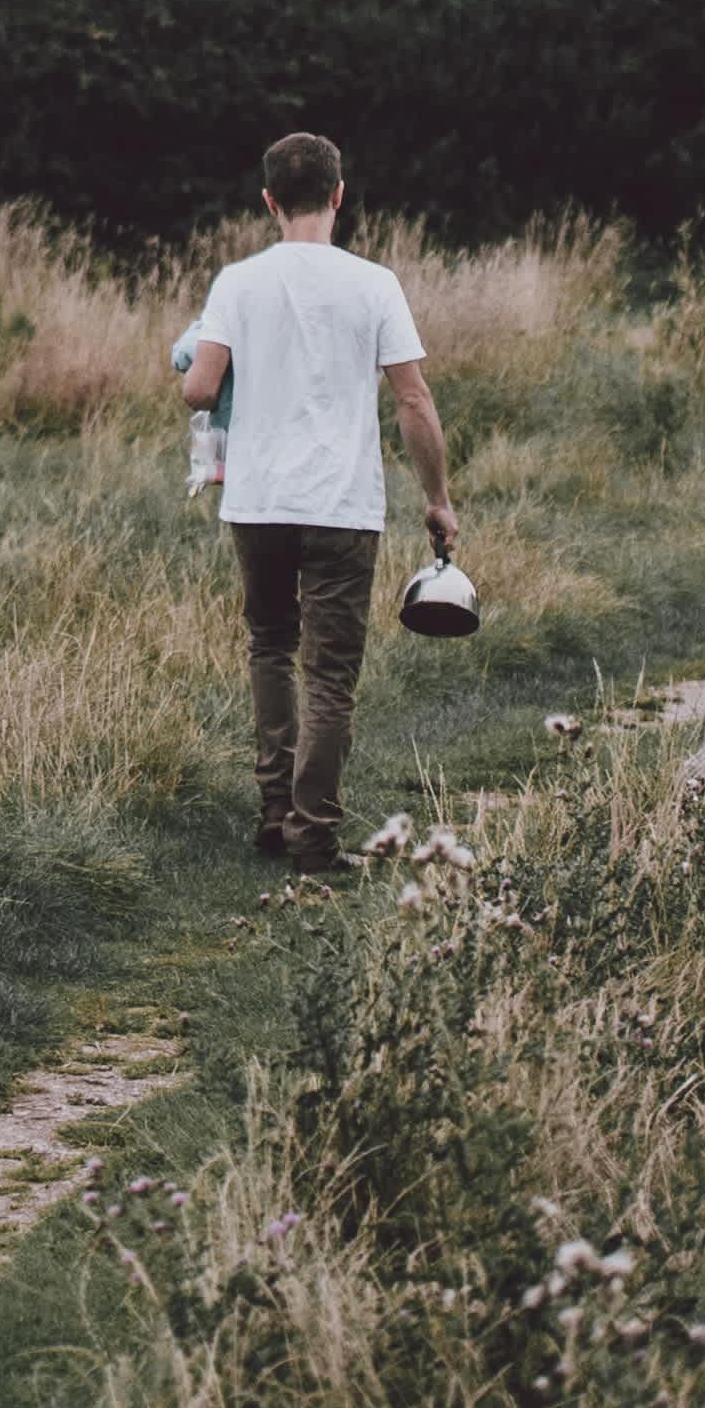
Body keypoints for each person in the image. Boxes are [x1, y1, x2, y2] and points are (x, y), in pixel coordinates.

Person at [180, 133, 457, 876]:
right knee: (330, 675)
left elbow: (199, 389)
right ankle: (314, 835)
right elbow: (412, 399)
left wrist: (200, 366)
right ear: (338, 194)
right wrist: (437, 500)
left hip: (258, 503)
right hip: (341, 505)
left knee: (270, 648)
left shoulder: (236, 283)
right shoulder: (374, 284)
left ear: (269, 201)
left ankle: (275, 815)